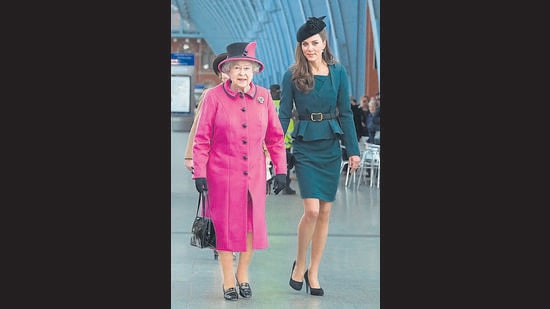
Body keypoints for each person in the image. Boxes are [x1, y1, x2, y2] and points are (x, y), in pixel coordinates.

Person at [192, 41, 288, 301]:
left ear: (255, 71)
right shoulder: (213, 97)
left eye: (247, 67)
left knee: (250, 227)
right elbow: (202, 139)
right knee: (224, 228)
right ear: (228, 71)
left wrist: (281, 169)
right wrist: (199, 172)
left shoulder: (264, 97)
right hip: (221, 174)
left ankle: (243, 274)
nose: (243, 73)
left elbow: (276, 138)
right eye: (237, 68)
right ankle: (227, 279)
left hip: (254, 175)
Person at [278, 16, 361, 296]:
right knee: (311, 210)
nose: (310, 48)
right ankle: (299, 263)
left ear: (324, 43)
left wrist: (353, 151)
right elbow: (283, 113)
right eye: (305, 44)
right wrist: (275, 146)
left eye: (314, 43)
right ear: (300, 47)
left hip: (330, 143)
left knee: (325, 211)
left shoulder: (339, 73)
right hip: (304, 143)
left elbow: (346, 113)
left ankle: (314, 270)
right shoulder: (292, 74)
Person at [183, 52, 235, 261]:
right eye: (224, 70)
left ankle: (229, 240)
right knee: (217, 203)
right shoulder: (210, 95)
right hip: (214, 158)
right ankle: (220, 242)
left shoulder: (247, 96)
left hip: (238, 160)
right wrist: (191, 157)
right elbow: (197, 127)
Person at [271, 84, 297, 195]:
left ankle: (285, 185)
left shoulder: (284, 103)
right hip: (277, 141)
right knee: (276, 164)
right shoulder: (270, 104)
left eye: (278, 91)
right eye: (276, 91)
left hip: (285, 140)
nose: (278, 93)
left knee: (284, 164)